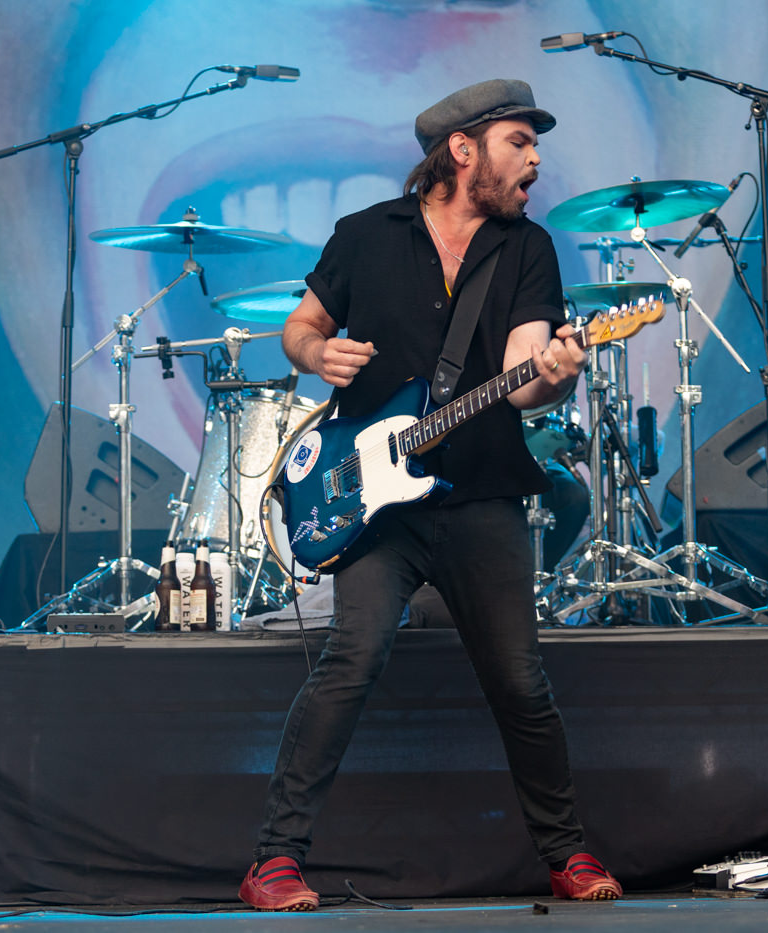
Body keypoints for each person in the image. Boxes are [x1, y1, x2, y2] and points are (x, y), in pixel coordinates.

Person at [238, 78, 621, 911]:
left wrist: (553, 375)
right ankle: (274, 860)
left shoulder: (528, 248)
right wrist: (316, 355)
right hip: (377, 508)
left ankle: (567, 853)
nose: (536, 157)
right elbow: (300, 326)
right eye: (520, 141)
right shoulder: (364, 235)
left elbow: (524, 380)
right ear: (463, 149)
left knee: (519, 681)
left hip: (482, 494)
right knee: (351, 660)